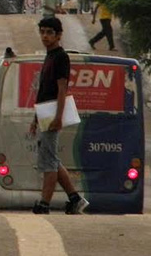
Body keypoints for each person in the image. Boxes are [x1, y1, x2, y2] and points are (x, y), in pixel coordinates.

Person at [30, 17, 89, 215]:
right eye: (42, 32)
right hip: (45, 114)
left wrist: (58, 117)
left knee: (49, 162)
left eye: (49, 32)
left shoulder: (61, 57)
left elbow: (62, 89)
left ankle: (44, 203)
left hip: (53, 114)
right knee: (52, 159)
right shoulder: (49, 56)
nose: (45, 36)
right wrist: (35, 119)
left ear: (58, 35)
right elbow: (42, 91)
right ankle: (75, 199)